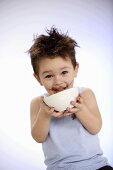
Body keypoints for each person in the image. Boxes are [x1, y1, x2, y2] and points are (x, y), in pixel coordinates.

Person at [28, 27, 113, 170]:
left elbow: (95, 128)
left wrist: (81, 109)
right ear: (38, 78)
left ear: (75, 70)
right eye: (48, 76)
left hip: (95, 165)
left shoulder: (85, 94)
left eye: (64, 72)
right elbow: (38, 138)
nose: (57, 81)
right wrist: (44, 114)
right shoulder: (38, 103)